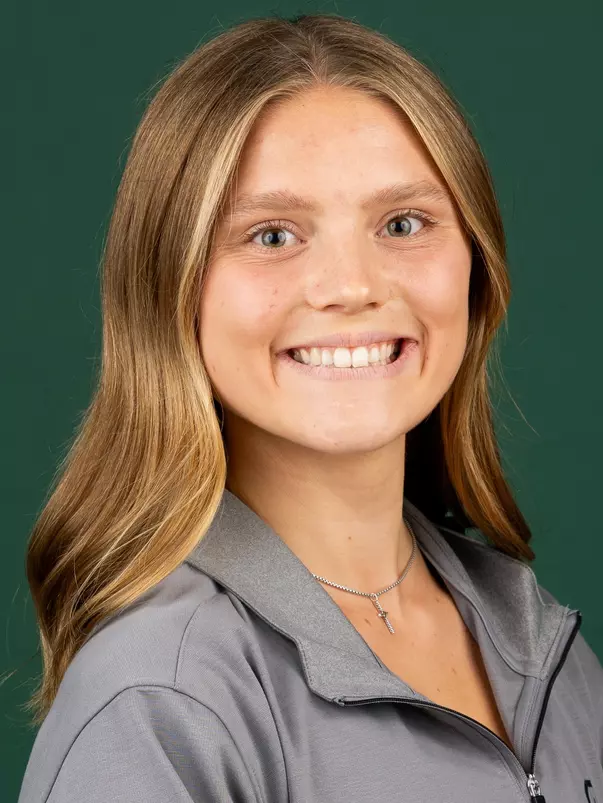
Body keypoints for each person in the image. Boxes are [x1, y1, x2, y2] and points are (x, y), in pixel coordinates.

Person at [17, 12, 603, 803]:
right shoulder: (160, 702)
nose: (351, 285)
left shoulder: (540, 642)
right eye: (271, 235)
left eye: (403, 223)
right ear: (171, 289)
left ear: (476, 267)